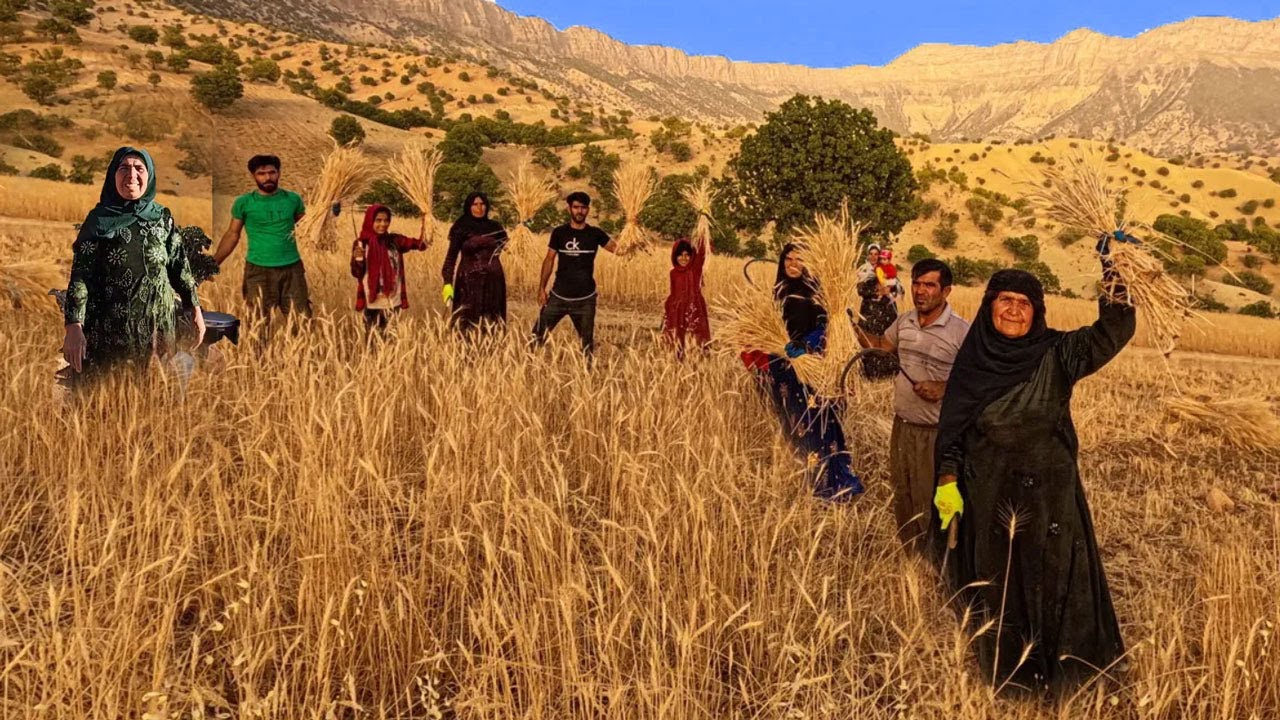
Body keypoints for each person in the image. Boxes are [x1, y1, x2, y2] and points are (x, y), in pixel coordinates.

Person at [933, 236, 1136, 692]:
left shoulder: (1059, 354)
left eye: (1025, 304)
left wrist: (1115, 271)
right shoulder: (972, 363)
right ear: (989, 306)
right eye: (1005, 300)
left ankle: (1071, 676)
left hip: (1050, 499)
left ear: (1038, 311)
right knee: (1000, 586)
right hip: (989, 496)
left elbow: (1113, 331)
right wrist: (948, 480)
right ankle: (1013, 677)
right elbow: (954, 431)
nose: (1014, 311)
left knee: (1057, 579)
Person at [62, 146, 204, 382]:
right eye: (124, 168)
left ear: (149, 176)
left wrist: (195, 308)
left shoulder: (162, 218)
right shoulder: (98, 221)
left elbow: (180, 267)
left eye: (139, 168)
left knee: (155, 399)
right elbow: (80, 278)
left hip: (158, 331)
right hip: (109, 333)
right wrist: (74, 326)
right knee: (108, 403)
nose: (132, 175)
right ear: (112, 175)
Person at [750, 243, 864, 500]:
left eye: (798, 260)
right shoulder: (777, 291)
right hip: (783, 368)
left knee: (819, 422)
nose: (792, 264)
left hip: (810, 366)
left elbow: (826, 326)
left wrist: (805, 347)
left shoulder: (815, 293)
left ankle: (831, 483)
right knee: (793, 422)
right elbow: (769, 328)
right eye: (788, 259)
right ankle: (806, 479)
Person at [880, 258, 969, 550]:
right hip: (901, 428)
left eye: (929, 284)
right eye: (916, 283)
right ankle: (911, 564)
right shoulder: (903, 321)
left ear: (946, 291)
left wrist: (944, 387)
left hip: (935, 434)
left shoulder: (961, 332)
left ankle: (937, 565)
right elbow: (880, 350)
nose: (920, 291)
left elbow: (975, 382)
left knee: (931, 502)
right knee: (903, 496)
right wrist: (846, 326)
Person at [213, 155, 311, 321]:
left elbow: (308, 227)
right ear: (253, 176)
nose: (267, 177)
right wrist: (214, 263)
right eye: (261, 173)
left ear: (279, 173)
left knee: (301, 321)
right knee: (257, 322)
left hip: (292, 269)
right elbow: (232, 234)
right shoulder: (244, 203)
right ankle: (260, 349)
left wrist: (329, 213)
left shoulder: (293, 200)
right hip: (258, 270)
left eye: (272, 172)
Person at [531, 192, 619, 356]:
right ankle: (527, 370)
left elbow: (618, 250)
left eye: (583, 208)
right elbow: (549, 260)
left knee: (586, 346)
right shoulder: (559, 233)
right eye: (576, 207)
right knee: (536, 337)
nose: (579, 211)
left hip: (585, 300)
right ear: (569, 209)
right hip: (558, 297)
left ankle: (587, 377)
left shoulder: (595, 233)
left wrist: (633, 234)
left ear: (588, 210)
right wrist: (541, 288)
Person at [350, 204, 430, 331]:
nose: (383, 224)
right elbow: (357, 273)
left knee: (392, 340)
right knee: (372, 341)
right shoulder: (361, 243)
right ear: (370, 220)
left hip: (393, 300)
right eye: (378, 220)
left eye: (386, 220)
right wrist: (357, 259)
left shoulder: (395, 241)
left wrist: (427, 220)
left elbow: (422, 244)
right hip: (372, 302)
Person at [441, 192, 509, 332]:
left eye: (482, 204)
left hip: (494, 280)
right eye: (475, 204)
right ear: (468, 207)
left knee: (492, 321)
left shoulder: (495, 227)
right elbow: (450, 258)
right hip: (468, 282)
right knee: (467, 321)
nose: (480, 208)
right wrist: (447, 283)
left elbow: (506, 248)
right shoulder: (461, 227)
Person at [661, 237, 711, 358]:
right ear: (674, 256)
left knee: (694, 335)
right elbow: (673, 292)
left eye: (687, 255)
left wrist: (702, 234)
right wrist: (669, 308)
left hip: (694, 308)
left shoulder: (695, 270)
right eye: (680, 255)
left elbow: (702, 253)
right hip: (678, 309)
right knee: (677, 335)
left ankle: (696, 357)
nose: (683, 258)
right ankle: (678, 357)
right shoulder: (673, 273)